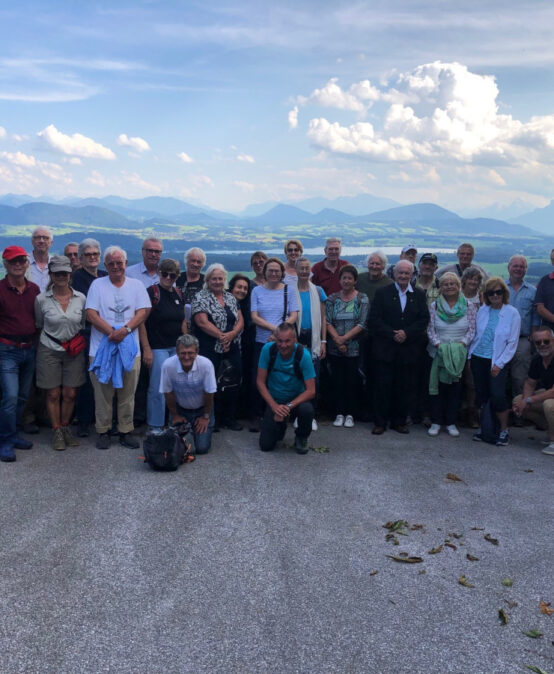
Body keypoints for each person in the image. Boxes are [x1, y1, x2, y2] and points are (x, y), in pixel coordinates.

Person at [85, 246, 151, 450]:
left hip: (131, 349)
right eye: (111, 263)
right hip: (100, 348)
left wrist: (126, 329)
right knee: (103, 393)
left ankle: (125, 430)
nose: (116, 267)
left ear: (125, 264)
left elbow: (144, 311)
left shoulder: (136, 285)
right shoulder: (97, 285)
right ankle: (103, 430)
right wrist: (112, 333)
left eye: (119, 263)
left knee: (127, 393)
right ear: (106, 266)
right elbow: (91, 314)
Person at [369, 260, 430, 435]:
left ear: (412, 275)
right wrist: (392, 334)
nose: (403, 276)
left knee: (404, 387)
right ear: (394, 274)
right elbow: (374, 319)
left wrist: (407, 333)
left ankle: (399, 421)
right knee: (382, 387)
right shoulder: (382, 293)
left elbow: (423, 320)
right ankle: (380, 422)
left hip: (408, 349)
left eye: (407, 273)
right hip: (385, 348)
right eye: (400, 273)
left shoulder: (418, 295)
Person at [34, 256, 86, 450]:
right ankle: (56, 429)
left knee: (70, 393)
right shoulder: (41, 299)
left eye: (64, 273)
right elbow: (39, 324)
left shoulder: (80, 298)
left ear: (70, 274)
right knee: (53, 393)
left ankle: (65, 427)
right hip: (49, 348)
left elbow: (82, 324)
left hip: (73, 349)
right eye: (57, 273)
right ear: (51, 275)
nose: (61, 276)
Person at [469, 277, 521, 446]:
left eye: (498, 292)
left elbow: (512, 343)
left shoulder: (512, 313)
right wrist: (470, 357)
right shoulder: (482, 310)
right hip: (478, 358)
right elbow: (476, 335)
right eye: (491, 293)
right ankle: (485, 428)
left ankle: (504, 430)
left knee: (498, 395)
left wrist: (499, 364)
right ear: (487, 295)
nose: (495, 295)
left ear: (504, 293)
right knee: (481, 395)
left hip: (497, 361)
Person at [0, 246, 40, 462]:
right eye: (12, 261)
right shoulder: (0, 289)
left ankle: (13, 434)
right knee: (10, 397)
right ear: (5, 265)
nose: (17, 264)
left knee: (23, 397)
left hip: (29, 349)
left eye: (21, 261)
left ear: (26, 264)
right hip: (7, 350)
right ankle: (5, 440)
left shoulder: (34, 289)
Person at [192, 263, 244, 430]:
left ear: (225, 280)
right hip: (210, 347)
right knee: (210, 383)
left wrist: (231, 335)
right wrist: (222, 337)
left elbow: (240, 320)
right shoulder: (200, 297)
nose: (217, 281)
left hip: (232, 346)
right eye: (214, 278)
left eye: (220, 278)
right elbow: (202, 322)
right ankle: (213, 418)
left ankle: (230, 417)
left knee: (233, 381)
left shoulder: (230, 297)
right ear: (207, 280)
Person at [250, 257, 299, 430]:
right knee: (259, 378)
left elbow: (294, 315)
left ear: (282, 273)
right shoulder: (256, 291)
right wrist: (276, 330)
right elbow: (254, 317)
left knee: (278, 379)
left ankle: (278, 413)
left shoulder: (289, 290)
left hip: (283, 344)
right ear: (265, 272)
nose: (273, 273)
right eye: (270, 270)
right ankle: (257, 414)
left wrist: (279, 335)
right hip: (262, 341)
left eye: (277, 271)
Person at [426, 273, 477, 437]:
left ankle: (451, 422)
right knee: (437, 388)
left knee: (454, 389)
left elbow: (472, 329)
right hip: (437, 353)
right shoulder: (434, 306)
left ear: (458, 286)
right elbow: (430, 329)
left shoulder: (469, 306)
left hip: (458, 355)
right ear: (441, 288)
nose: (449, 286)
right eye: (445, 284)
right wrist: (438, 345)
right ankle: (436, 421)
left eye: (452, 284)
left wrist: (462, 345)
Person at [139, 259, 187, 431]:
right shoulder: (152, 292)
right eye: (164, 273)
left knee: (175, 386)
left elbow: (182, 321)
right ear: (159, 273)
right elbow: (141, 322)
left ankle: (173, 421)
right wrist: (146, 349)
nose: (168, 277)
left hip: (176, 347)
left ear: (177, 276)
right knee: (158, 387)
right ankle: (155, 425)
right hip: (157, 347)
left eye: (172, 275)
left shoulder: (179, 294)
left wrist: (186, 343)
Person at [256, 323, 316, 454]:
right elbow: (260, 382)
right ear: (275, 339)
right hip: (275, 400)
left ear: (294, 339)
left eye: (287, 341)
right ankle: (280, 426)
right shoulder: (268, 350)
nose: (283, 345)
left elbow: (311, 391)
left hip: (296, 402)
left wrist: (288, 407)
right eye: (280, 341)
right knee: (266, 446)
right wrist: (274, 406)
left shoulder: (303, 355)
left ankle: (301, 437)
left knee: (307, 409)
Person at [71, 238, 109, 437]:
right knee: (88, 378)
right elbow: (87, 308)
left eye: (95, 254)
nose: (93, 257)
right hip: (87, 334)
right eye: (88, 254)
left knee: (107, 377)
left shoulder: (104, 275)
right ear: (81, 258)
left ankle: (104, 418)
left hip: (106, 333)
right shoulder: (77, 278)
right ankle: (84, 421)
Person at [325, 264, 369, 428]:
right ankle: (338, 412)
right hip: (334, 347)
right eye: (344, 278)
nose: (347, 281)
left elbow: (362, 323)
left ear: (355, 280)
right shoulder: (332, 299)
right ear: (340, 280)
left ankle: (351, 413)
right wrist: (338, 339)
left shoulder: (361, 299)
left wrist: (344, 340)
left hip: (354, 347)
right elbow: (328, 321)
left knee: (352, 381)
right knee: (337, 381)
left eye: (350, 278)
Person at [160, 334, 216, 455]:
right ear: (176, 352)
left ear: (197, 352)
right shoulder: (168, 365)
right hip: (181, 410)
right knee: (183, 448)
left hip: (202, 410)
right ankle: (189, 432)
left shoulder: (206, 365)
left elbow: (209, 393)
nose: (186, 357)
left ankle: (201, 430)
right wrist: (175, 415)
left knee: (202, 448)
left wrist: (206, 417)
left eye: (190, 353)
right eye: (182, 353)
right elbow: (167, 393)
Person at [295, 257, 327, 430]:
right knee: (296, 377)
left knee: (312, 377)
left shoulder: (318, 290)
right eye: (301, 268)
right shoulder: (290, 291)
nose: (304, 271)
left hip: (314, 340)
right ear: (296, 269)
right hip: (296, 338)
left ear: (311, 270)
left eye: (307, 268)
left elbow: (323, 318)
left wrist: (323, 341)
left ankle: (310, 414)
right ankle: (297, 415)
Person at [512, 327, 554, 455]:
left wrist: (529, 400)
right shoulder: (538, 359)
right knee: (518, 401)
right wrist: (525, 401)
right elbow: (530, 383)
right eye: (538, 342)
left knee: (549, 405)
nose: (542, 345)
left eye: (546, 341)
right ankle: (550, 431)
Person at [506, 255, 539, 397]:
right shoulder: (499, 288)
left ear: (525, 270)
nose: (518, 269)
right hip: (501, 339)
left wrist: (533, 337)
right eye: (515, 266)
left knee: (520, 377)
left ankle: (519, 409)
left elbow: (535, 317)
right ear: (509, 268)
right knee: (499, 375)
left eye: (522, 266)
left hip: (522, 339)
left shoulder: (532, 291)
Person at [229, 273, 254, 420]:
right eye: (239, 287)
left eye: (245, 288)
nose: (242, 291)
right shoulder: (225, 301)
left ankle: (240, 412)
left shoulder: (247, 304)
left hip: (245, 346)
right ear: (232, 287)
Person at [25, 226, 53, 292]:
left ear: (51, 242)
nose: (41, 241)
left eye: (46, 238)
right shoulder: (22, 263)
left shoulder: (56, 263)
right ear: (32, 241)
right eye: (37, 238)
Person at [535, 248, 554, 330]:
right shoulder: (545, 281)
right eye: (553, 259)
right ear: (552, 262)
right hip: (549, 333)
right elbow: (540, 309)